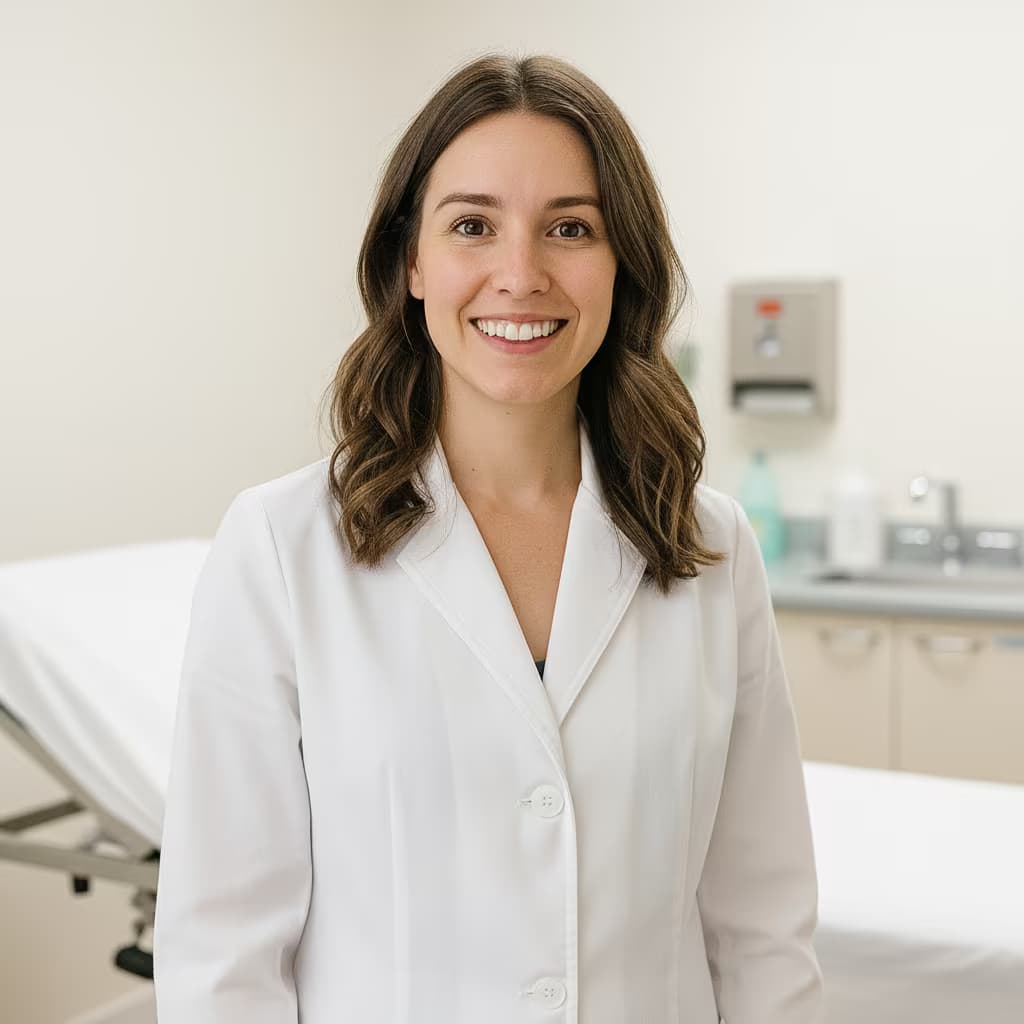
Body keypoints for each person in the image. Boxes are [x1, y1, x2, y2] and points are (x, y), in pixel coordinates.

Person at [153, 51, 824, 1024]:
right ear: (410, 263)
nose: (521, 274)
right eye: (472, 224)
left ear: (620, 259)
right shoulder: (281, 547)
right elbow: (222, 955)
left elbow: (762, 927)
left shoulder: (710, 547)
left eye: (569, 227)